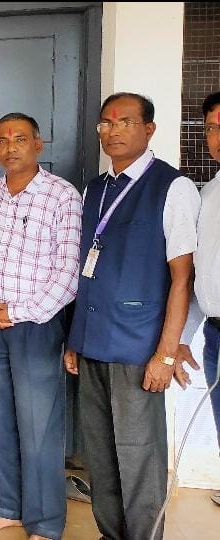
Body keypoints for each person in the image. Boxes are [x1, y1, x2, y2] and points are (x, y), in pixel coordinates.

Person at [64, 93, 200, 540]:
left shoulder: (172, 186)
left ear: (149, 129)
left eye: (125, 122)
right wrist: (73, 340)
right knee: (100, 452)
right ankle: (111, 533)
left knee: (138, 454)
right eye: (105, 123)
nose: (113, 131)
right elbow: (85, 266)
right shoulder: (95, 188)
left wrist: (165, 353)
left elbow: (182, 277)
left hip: (138, 346)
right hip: (91, 340)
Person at [0, 113, 82, 539]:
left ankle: (46, 524)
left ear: (38, 145)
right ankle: (7, 507)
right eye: (1, 140)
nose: (9, 147)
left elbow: (68, 273)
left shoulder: (61, 196)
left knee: (39, 427)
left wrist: (20, 312)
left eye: (19, 139)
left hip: (36, 325)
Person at [177, 90, 220, 508]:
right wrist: (185, 334)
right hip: (216, 338)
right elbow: (196, 275)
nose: (218, 136)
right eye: (212, 128)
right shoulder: (206, 195)